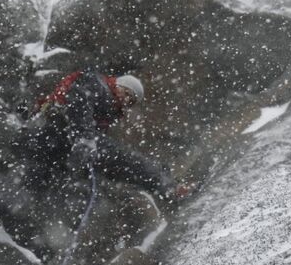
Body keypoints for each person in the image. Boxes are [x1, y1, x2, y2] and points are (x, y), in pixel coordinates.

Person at [17, 71, 177, 203]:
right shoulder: (100, 85)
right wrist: (85, 139)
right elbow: (79, 98)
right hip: (60, 130)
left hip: (58, 138)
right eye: (127, 93)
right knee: (124, 158)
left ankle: (160, 186)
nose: (126, 99)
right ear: (118, 85)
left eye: (131, 101)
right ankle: (166, 185)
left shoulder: (108, 108)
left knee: (115, 166)